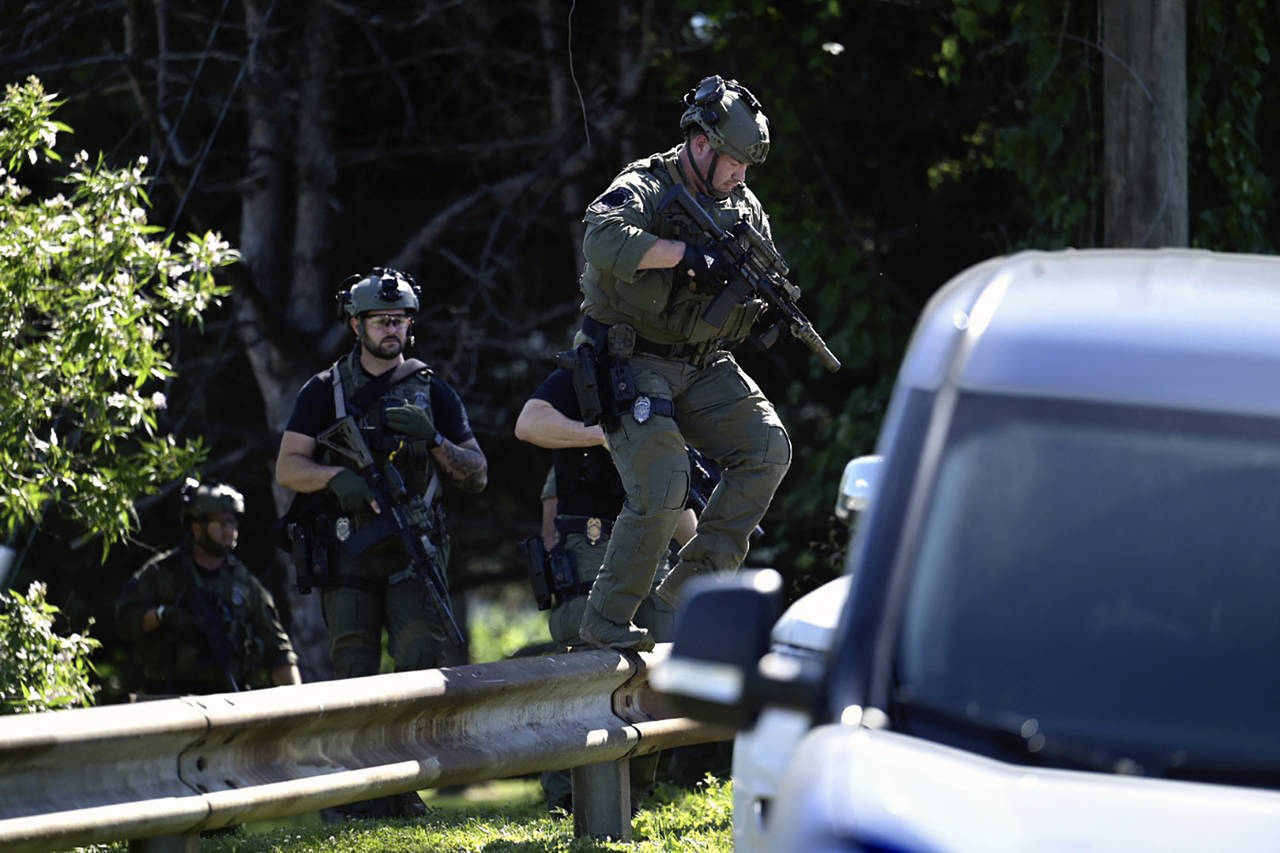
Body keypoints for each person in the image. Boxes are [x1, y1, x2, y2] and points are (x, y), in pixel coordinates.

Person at [570, 74, 791, 651]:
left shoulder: (740, 204)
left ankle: (691, 591)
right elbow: (600, 236)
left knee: (768, 448)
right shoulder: (645, 184)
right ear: (701, 145)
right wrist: (687, 256)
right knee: (665, 482)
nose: (742, 175)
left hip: (701, 362)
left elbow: (750, 276)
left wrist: (760, 309)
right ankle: (606, 621)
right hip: (632, 357)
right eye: (735, 161)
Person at [275, 267, 488, 679]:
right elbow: (288, 466)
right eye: (381, 321)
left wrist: (435, 441)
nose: (392, 329)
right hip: (348, 549)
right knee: (353, 669)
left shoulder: (432, 389)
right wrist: (334, 477)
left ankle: (420, 747)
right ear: (356, 324)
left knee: (421, 665)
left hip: (413, 549)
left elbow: (478, 475)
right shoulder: (324, 390)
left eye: (400, 319)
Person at [514, 364, 697, 814]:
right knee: (591, 673)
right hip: (592, 547)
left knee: (657, 667)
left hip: (652, 544)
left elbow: (683, 513)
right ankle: (565, 798)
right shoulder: (581, 376)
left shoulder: (669, 385)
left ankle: (634, 794)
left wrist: (707, 557)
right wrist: (601, 434)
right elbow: (529, 423)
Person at [115, 480, 301, 697]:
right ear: (196, 528)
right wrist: (162, 615)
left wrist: (298, 701)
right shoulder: (164, 573)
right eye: (221, 524)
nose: (229, 531)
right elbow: (124, 620)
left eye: (233, 523)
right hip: (168, 696)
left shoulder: (243, 583)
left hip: (227, 695)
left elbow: (277, 651)